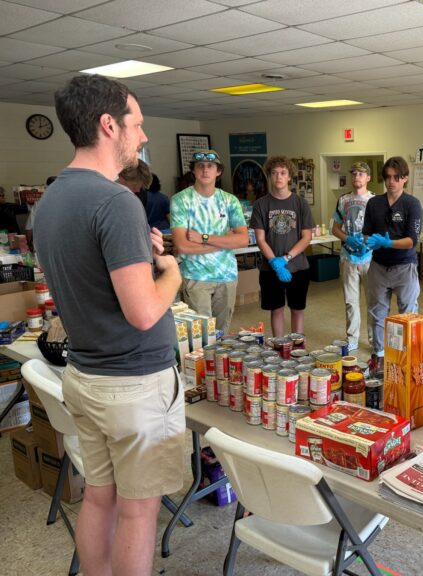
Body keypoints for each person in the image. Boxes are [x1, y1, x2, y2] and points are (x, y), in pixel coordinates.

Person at [33, 74, 183, 576]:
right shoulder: (117, 201)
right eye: (136, 124)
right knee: (138, 510)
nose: (143, 135)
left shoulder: (52, 199)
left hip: (87, 376)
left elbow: (91, 274)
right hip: (133, 385)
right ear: (108, 125)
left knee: (100, 496)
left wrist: (140, 251)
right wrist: (171, 272)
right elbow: (143, 312)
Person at [170, 149, 248, 334]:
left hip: (227, 276)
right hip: (196, 277)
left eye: (210, 166)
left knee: (221, 335)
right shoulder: (180, 201)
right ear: (193, 170)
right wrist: (225, 241)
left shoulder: (230, 201)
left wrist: (203, 238)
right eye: (200, 166)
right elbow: (183, 246)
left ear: (218, 171)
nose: (205, 170)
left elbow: (243, 240)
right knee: (201, 336)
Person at [363, 156, 422, 370]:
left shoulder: (412, 204)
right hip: (379, 266)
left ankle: (408, 356)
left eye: (396, 177)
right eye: (388, 177)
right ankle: (379, 355)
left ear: (405, 178)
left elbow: (412, 241)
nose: (391, 182)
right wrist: (366, 242)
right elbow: (366, 234)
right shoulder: (374, 203)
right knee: (377, 313)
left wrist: (388, 243)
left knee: (407, 314)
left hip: (405, 266)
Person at [250, 155, 314, 337]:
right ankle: (279, 346)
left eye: (283, 173)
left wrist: (285, 259)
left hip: (298, 267)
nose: (278, 176)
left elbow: (306, 237)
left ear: (289, 177)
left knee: (297, 309)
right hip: (270, 269)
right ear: (270, 176)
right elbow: (260, 238)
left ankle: (297, 345)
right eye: (274, 173)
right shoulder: (261, 204)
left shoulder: (300, 203)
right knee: (276, 309)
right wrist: (274, 262)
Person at [331, 161, 375, 351]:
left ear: (368, 178)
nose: (357, 176)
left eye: (361, 173)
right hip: (348, 258)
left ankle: (375, 340)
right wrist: (347, 239)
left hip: (370, 259)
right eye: (354, 173)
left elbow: (382, 230)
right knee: (351, 301)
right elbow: (335, 228)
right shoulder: (343, 200)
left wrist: (368, 243)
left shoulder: (375, 200)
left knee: (373, 302)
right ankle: (352, 338)